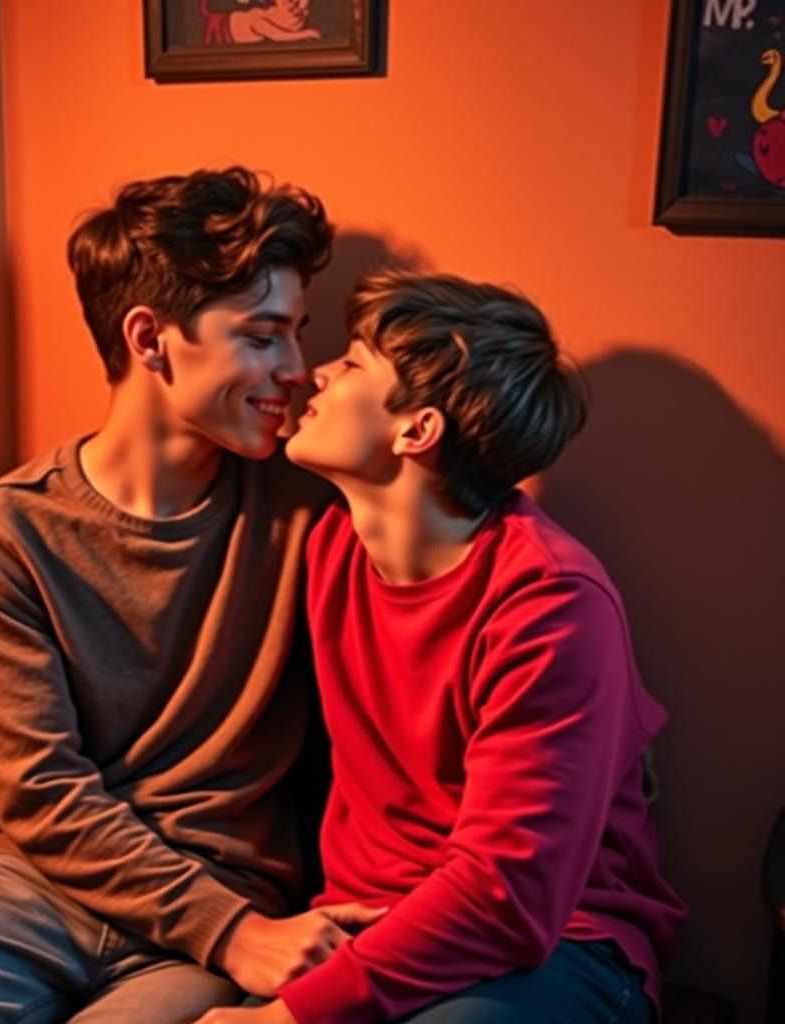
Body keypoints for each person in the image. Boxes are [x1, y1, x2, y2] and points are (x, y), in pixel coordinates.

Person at [0, 167, 385, 1024]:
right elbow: (41, 793)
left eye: (299, 333)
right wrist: (234, 934)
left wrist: (238, 930)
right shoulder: (0, 533)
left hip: (225, 896)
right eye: (263, 337)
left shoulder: (312, 513)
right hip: (27, 888)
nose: (296, 370)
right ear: (150, 338)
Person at [195, 270, 686, 1024]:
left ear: (416, 430)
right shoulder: (330, 544)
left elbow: (508, 897)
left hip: (559, 945)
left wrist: (284, 1020)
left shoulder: (550, 603)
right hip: (364, 921)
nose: (315, 372)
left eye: (353, 364)